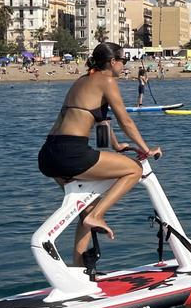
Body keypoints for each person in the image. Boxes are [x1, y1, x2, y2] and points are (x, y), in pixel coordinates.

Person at [38, 42, 161, 264]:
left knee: (86, 207)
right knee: (134, 169)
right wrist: (146, 149)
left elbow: (102, 121)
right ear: (112, 62)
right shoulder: (107, 81)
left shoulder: (83, 80)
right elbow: (126, 121)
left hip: (48, 154)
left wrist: (116, 146)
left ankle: (79, 270)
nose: (125, 65)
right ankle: (98, 216)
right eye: (123, 60)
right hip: (70, 152)